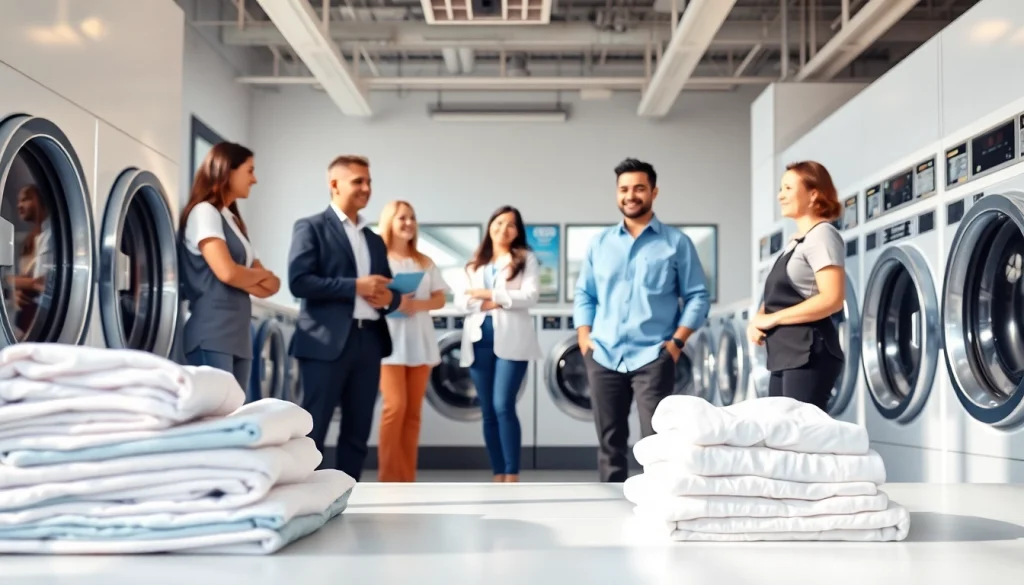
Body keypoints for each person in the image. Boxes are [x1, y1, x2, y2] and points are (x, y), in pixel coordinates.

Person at [574, 158, 711, 483]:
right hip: (604, 353)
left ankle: (660, 507)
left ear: (653, 192)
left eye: (638, 188)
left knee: (657, 442)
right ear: (617, 194)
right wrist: (584, 336)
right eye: (624, 189)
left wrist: (676, 343)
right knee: (610, 443)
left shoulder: (676, 243)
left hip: (653, 355)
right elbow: (585, 294)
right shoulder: (600, 243)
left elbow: (697, 296)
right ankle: (610, 507)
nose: (630, 195)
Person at [287, 154, 401, 482]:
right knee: (313, 427)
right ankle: (305, 494)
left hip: (369, 341)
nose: (366, 188)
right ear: (334, 185)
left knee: (357, 430)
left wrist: (387, 297)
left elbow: (389, 290)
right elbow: (299, 281)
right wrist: (356, 286)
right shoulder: (310, 227)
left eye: (369, 181)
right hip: (325, 342)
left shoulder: (374, 239)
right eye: (358, 182)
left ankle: (349, 495)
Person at [178, 142, 280, 390]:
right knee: (215, 422)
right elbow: (226, 272)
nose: (254, 179)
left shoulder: (232, 220)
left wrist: (248, 275)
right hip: (211, 334)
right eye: (249, 170)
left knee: (233, 419)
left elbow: (271, 286)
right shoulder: (204, 212)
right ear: (227, 170)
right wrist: (257, 275)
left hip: (238, 337)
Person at [747, 160, 845, 412]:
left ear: (813, 194)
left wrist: (773, 319)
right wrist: (758, 319)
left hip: (808, 353)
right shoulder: (796, 243)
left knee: (800, 439)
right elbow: (779, 295)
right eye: (781, 188)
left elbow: (832, 298)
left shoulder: (822, 235)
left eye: (788, 188)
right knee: (782, 437)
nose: (781, 195)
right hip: (785, 354)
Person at [455, 205, 542, 483]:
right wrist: (499, 299)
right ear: (490, 225)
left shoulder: (525, 259)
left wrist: (488, 294)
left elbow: (530, 296)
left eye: (511, 225)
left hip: (512, 342)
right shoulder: (474, 264)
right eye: (499, 222)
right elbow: (461, 301)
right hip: (479, 341)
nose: (504, 229)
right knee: (488, 410)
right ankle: (498, 473)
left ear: (518, 231)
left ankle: (512, 471)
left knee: (503, 404)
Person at [376, 200, 449, 482]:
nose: (408, 223)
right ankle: (388, 479)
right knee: (394, 407)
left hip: (419, 341)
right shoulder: (378, 259)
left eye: (412, 218)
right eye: (401, 218)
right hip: (390, 343)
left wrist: (416, 305)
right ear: (389, 223)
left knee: (413, 414)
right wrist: (394, 301)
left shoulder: (424, 262)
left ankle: (407, 479)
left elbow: (441, 297)